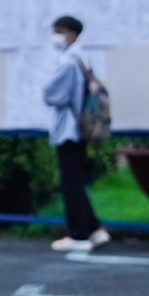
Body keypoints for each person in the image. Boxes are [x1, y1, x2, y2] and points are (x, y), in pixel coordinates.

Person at [42, 15, 111, 253]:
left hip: (69, 129)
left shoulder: (68, 63)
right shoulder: (82, 58)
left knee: (71, 184)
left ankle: (79, 235)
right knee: (76, 182)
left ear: (71, 34)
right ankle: (94, 229)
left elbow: (52, 95)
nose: (55, 37)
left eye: (59, 31)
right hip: (82, 127)